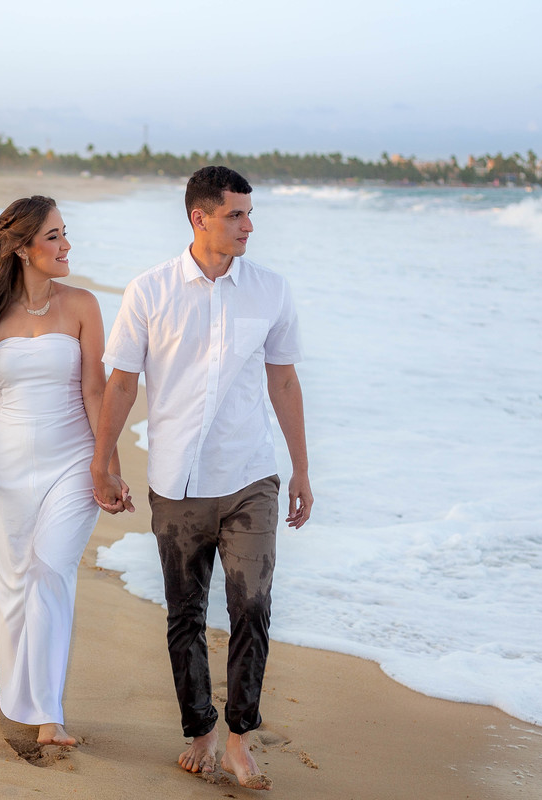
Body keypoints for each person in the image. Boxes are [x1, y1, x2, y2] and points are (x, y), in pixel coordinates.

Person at [91, 166, 312, 790]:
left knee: (253, 606)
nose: (249, 225)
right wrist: (104, 460)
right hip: (176, 480)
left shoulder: (270, 290)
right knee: (184, 614)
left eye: (249, 212)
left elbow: (284, 380)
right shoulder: (150, 291)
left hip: (250, 476)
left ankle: (241, 737)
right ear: (200, 218)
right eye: (236, 214)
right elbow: (123, 382)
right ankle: (200, 729)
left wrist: (300, 468)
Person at [0, 195, 122, 747]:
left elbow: (96, 390)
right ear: (22, 248)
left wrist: (106, 465)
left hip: (73, 461)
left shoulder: (84, 305)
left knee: (49, 569)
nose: (66, 245)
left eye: (66, 233)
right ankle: (22, 698)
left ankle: (48, 715)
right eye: (53, 236)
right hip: (6, 467)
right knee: (15, 585)